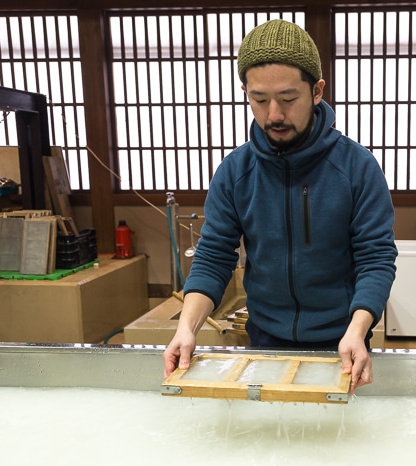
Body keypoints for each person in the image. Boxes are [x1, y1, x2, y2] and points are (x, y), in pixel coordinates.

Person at [163, 19, 397, 394]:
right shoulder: (235, 172)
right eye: (259, 100)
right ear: (246, 92)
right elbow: (213, 256)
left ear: (317, 91)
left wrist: (359, 329)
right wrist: (185, 329)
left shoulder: (356, 168)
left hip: (343, 342)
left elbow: (376, 257)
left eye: (288, 99)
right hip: (265, 340)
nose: (273, 114)